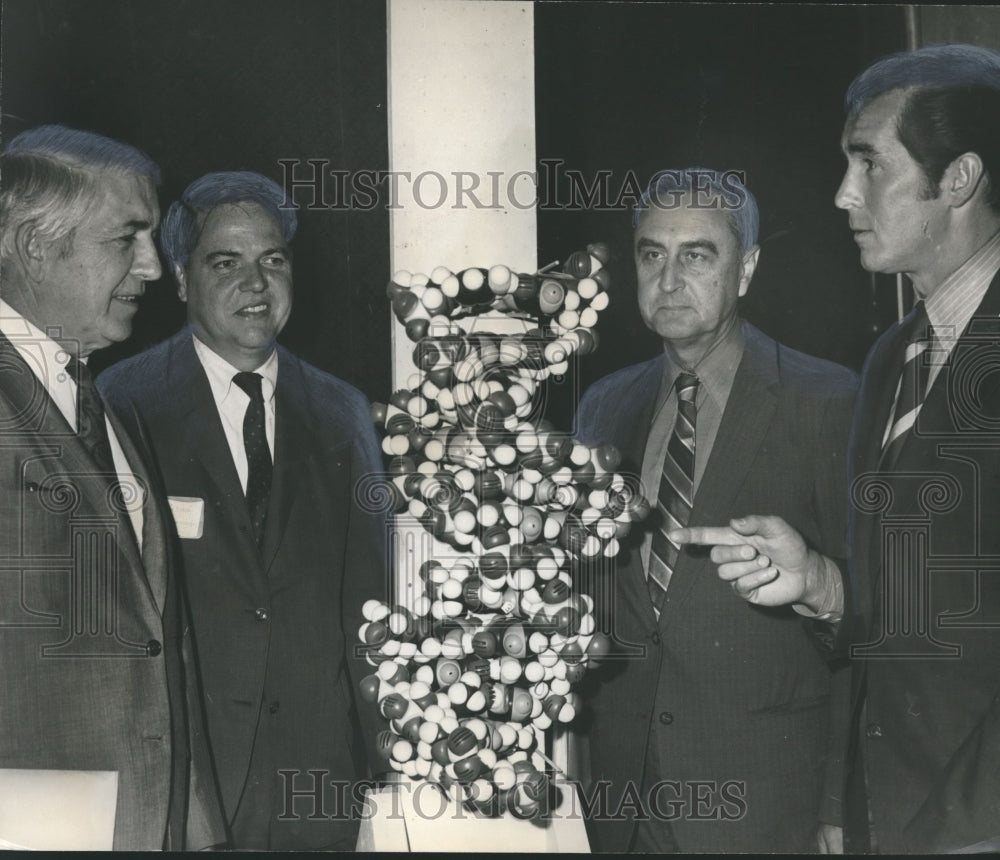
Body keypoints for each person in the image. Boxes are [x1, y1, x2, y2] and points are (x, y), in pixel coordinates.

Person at [674, 44, 1000, 853]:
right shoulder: (894, 357)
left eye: (868, 165)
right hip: (888, 815)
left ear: (957, 179)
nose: (842, 194)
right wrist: (820, 582)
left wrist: (966, 827)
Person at [98, 171, 385, 850]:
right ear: (180, 276)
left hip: (318, 782)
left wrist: (384, 767)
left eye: (273, 260)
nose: (255, 285)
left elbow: (368, 604)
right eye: (225, 263)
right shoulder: (124, 402)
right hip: (189, 778)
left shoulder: (342, 411)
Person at [574, 167, 858, 852]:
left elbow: (870, 621)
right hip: (624, 800)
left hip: (767, 801)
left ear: (747, 268)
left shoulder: (828, 401)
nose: (669, 280)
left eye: (696, 255)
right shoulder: (603, 406)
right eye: (651, 255)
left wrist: (841, 806)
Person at [0, 125, 224, 850]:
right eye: (127, 237)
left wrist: (194, 828)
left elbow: (158, 647)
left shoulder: (102, 405)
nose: (155, 268)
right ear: (36, 246)